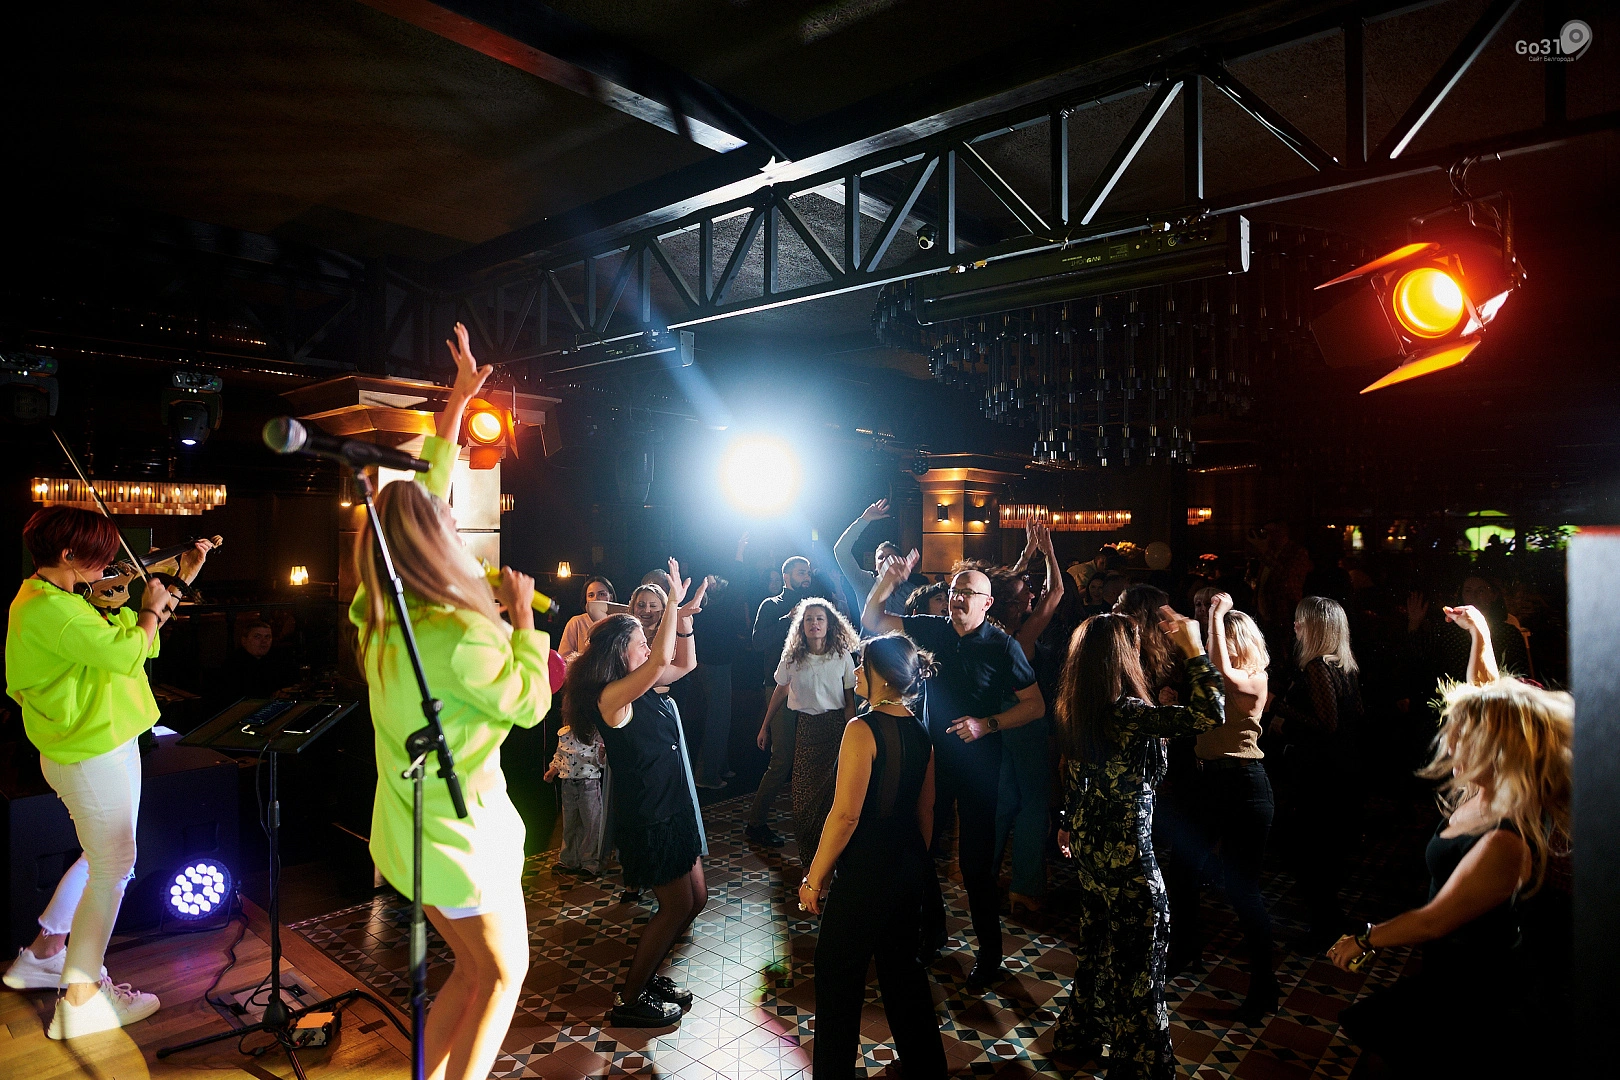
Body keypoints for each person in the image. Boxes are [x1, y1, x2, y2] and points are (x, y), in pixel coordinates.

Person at [350, 322, 548, 1080]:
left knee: (470, 970)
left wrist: (458, 405)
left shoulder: (375, 617)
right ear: (438, 544)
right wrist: (524, 623)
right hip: (462, 839)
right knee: (501, 975)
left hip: (407, 831)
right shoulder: (465, 635)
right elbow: (529, 704)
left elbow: (419, 508)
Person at [1331, 607, 1571, 1077]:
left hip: (1479, 988)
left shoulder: (1506, 839)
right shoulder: (1489, 789)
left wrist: (1364, 939)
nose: (1449, 744)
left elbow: (1433, 920)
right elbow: (1490, 698)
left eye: (1462, 738)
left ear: (1497, 752)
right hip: (1449, 969)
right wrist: (1480, 636)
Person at [3, 509, 209, 1038]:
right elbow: (125, 653)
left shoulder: (64, 599)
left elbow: (137, 645)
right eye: (100, 556)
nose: (110, 565)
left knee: (105, 859)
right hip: (91, 752)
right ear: (67, 554)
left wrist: (175, 586)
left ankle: (44, 953)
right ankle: (81, 998)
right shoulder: (52, 610)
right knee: (114, 865)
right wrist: (148, 608)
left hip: (103, 743)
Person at [1051, 609, 1224, 1078]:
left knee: (1096, 950)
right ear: (1120, 656)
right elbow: (1211, 713)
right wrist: (1194, 650)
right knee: (1140, 967)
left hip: (1092, 851)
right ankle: (1137, 1065)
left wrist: (1067, 822)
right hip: (1127, 858)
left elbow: (1074, 773)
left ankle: (1081, 1034)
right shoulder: (1126, 712)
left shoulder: (1076, 706)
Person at [863, 553, 1044, 990]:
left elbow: (1035, 705)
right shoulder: (931, 629)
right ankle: (933, 933)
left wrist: (987, 724)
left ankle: (990, 954)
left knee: (975, 866)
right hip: (932, 761)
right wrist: (888, 581)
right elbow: (871, 619)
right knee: (920, 850)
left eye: (967, 592)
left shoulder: (1003, 646)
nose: (957, 598)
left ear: (987, 603)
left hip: (980, 767)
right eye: (953, 591)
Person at [562, 563, 708, 1028]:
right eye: (640, 643)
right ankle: (630, 1000)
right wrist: (671, 605)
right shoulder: (611, 697)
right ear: (619, 653)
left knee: (696, 899)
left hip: (674, 808)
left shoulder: (644, 685)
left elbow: (684, 662)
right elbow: (663, 661)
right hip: (650, 818)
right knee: (676, 905)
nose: (648, 647)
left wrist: (683, 621)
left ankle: (650, 975)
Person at [798, 632, 947, 1079]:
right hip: (908, 867)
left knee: (837, 975)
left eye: (863, 664)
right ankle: (927, 1070)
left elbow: (845, 816)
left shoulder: (861, 729)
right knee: (903, 973)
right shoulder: (921, 731)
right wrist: (915, 868)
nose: (858, 671)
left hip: (866, 872)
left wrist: (814, 879)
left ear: (882, 675)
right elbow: (926, 811)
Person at [1189, 595, 1278, 1021]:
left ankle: (1264, 989)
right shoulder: (1217, 680)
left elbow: (1224, 672)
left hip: (1245, 786)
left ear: (1236, 641)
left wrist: (1216, 614)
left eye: (1219, 639)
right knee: (1184, 870)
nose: (1212, 645)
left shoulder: (1256, 678)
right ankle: (1185, 952)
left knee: (1245, 893)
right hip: (1211, 783)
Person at [1267, 595, 1363, 946]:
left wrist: (1279, 708)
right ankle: (1330, 922)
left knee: (1309, 850)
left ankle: (1325, 929)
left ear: (1319, 628)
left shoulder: (1318, 667)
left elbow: (1327, 725)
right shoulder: (1343, 665)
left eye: (1302, 620)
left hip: (1320, 773)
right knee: (1324, 850)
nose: (1295, 626)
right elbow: (1355, 717)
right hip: (1342, 770)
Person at [991, 522, 1064, 913]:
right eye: (1025, 594)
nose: (1032, 594)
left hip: (995, 723)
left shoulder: (986, 631)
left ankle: (985, 877)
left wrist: (1026, 553)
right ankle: (1026, 886)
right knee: (1034, 805)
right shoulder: (1021, 637)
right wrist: (1048, 551)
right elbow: (1057, 592)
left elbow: (1004, 588)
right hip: (1027, 722)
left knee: (1002, 803)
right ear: (1012, 605)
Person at [757, 597, 858, 873]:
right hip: (806, 728)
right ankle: (809, 862)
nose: (814, 623)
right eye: (809, 619)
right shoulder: (792, 657)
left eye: (819, 619)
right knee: (803, 799)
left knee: (833, 797)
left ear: (829, 624)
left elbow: (850, 701)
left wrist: (851, 734)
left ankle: (833, 861)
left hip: (836, 728)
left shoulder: (842, 655)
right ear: (801, 625)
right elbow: (780, 689)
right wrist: (765, 725)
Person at [746, 555, 814, 846]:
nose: (806, 577)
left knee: (810, 755)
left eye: (808, 573)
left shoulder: (814, 605)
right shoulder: (771, 605)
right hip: (779, 688)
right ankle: (756, 822)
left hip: (812, 688)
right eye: (800, 573)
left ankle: (809, 820)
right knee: (782, 757)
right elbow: (758, 642)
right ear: (786, 577)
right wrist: (788, 619)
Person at [832, 499, 916, 616]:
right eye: (881, 557)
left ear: (900, 561)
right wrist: (864, 519)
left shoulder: (912, 591)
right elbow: (841, 551)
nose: (885, 560)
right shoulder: (865, 582)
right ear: (875, 566)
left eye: (890, 557)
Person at [544, 718, 605, 878]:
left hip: (588, 782)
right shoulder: (564, 733)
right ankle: (569, 860)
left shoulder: (594, 733)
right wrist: (553, 770)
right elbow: (559, 755)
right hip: (568, 783)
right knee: (570, 823)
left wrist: (601, 756)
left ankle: (590, 863)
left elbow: (601, 762)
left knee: (591, 824)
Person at [220, 619, 296, 697]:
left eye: (267, 637)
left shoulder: (275, 660)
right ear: (244, 640)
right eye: (257, 637)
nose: (264, 641)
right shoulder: (233, 665)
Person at [558, 576, 617, 662]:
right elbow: (563, 659)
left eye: (601, 594)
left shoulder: (618, 622)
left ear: (611, 597)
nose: (596, 598)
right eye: (591, 595)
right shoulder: (576, 622)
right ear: (586, 599)